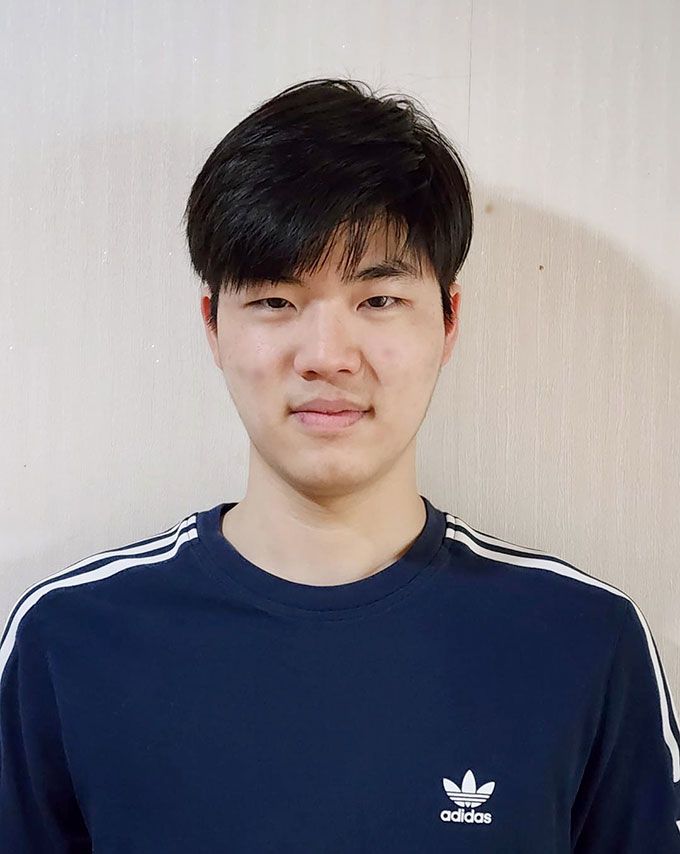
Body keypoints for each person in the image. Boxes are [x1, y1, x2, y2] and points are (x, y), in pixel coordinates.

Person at [1, 77, 678, 853]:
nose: (326, 357)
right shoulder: (69, 639)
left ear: (449, 321)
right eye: (275, 302)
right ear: (213, 325)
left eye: (378, 301)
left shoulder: (583, 640)